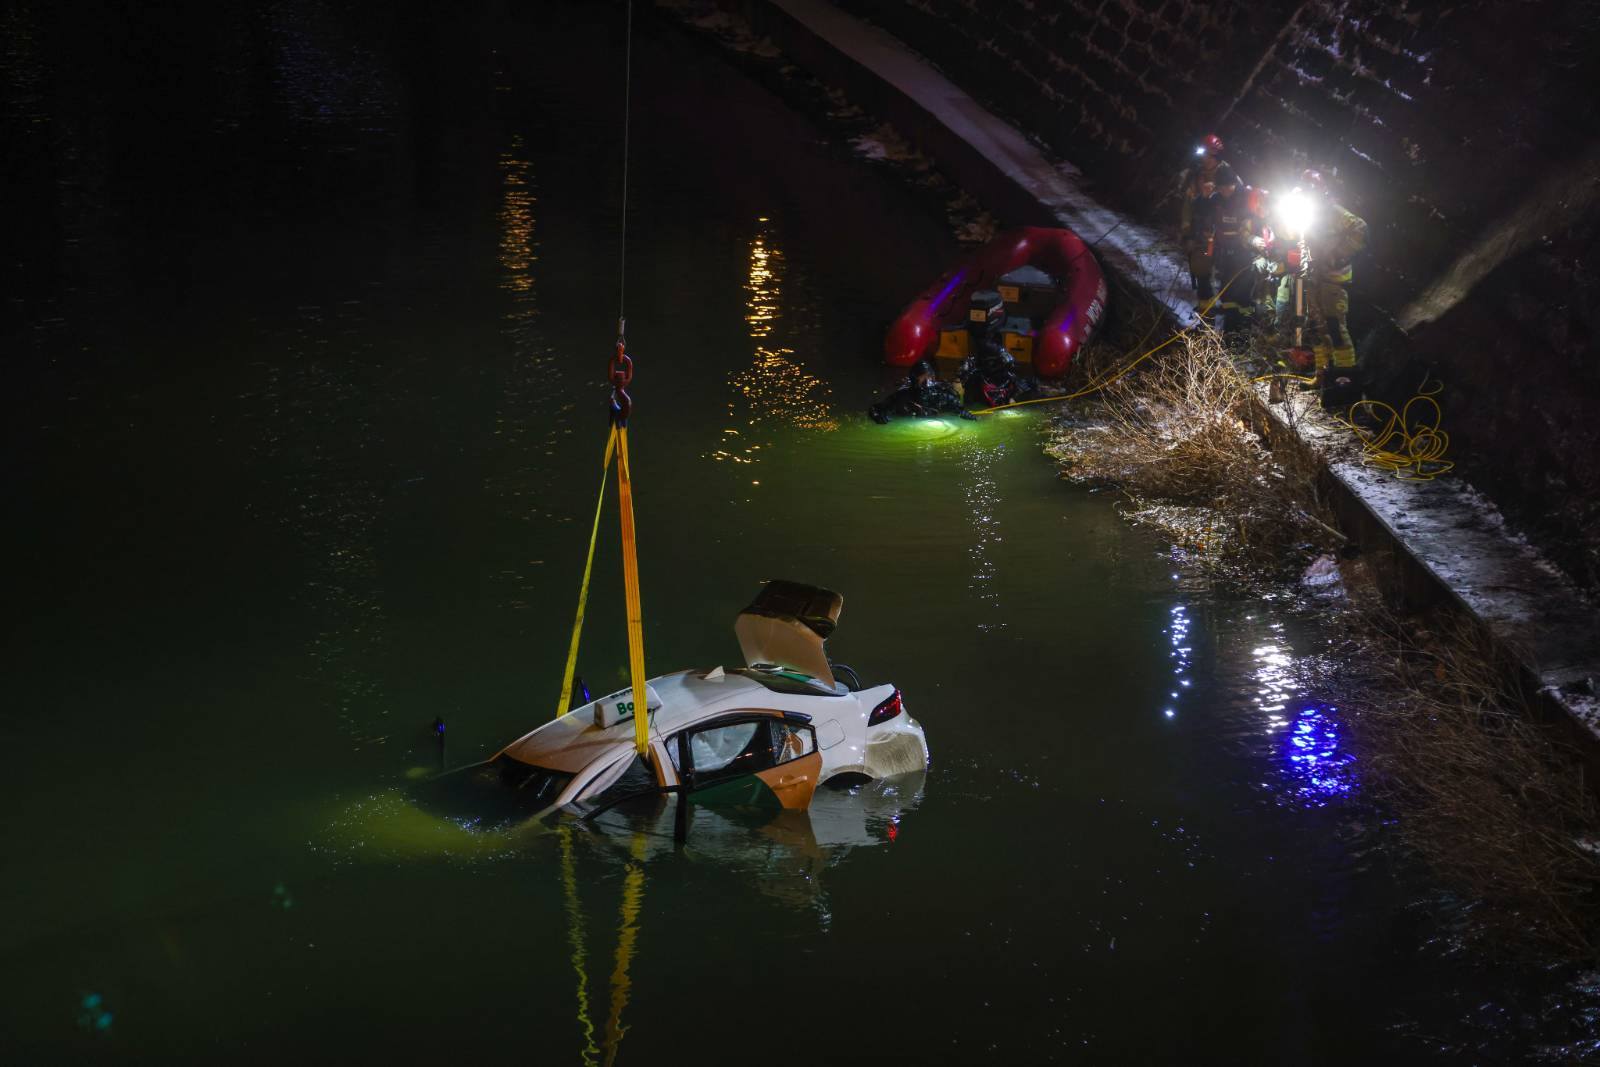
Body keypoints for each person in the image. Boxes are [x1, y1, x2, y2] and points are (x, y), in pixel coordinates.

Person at [1272, 169, 1368, 407]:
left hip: (1332, 281)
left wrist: (1338, 254)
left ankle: (1345, 382)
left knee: (1335, 329)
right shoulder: (1309, 212)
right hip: (1313, 278)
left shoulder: (1334, 212)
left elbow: (1361, 228)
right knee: (1316, 329)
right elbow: (1292, 234)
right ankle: (1322, 376)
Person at [958, 291, 1035, 408]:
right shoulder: (976, 329)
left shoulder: (994, 331)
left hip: (995, 367)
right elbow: (982, 343)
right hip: (984, 366)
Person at [1205, 166, 1256, 336]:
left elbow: (1257, 222)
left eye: (1228, 186)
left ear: (1234, 183)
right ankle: (1229, 329)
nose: (1225, 190)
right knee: (1226, 291)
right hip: (1223, 250)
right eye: (1221, 187)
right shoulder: (1214, 200)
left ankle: (1245, 329)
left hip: (1244, 252)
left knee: (1243, 292)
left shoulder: (1246, 198)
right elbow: (1207, 220)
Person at [1178, 134, 1229, 302]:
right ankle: (1206, 316)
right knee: (1201, 273)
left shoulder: (1226, 174)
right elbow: (1188, 204)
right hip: (1201, 232)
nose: (1203, 158)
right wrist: (1187, 232)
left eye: (1206, 154)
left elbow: (1236, 202)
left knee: (1225, 277)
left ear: (1214, 155)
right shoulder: (1197, 175)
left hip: (1222, 233)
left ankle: (1225, 317)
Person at [868, 359, 971, 423]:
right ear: (914, 378)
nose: (927, 382)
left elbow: (957, 405)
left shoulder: (940, 393)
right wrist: (878, 417)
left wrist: (962, 412)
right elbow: (875, 408)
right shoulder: (903, 396)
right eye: (923, 378)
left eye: (929, 377)